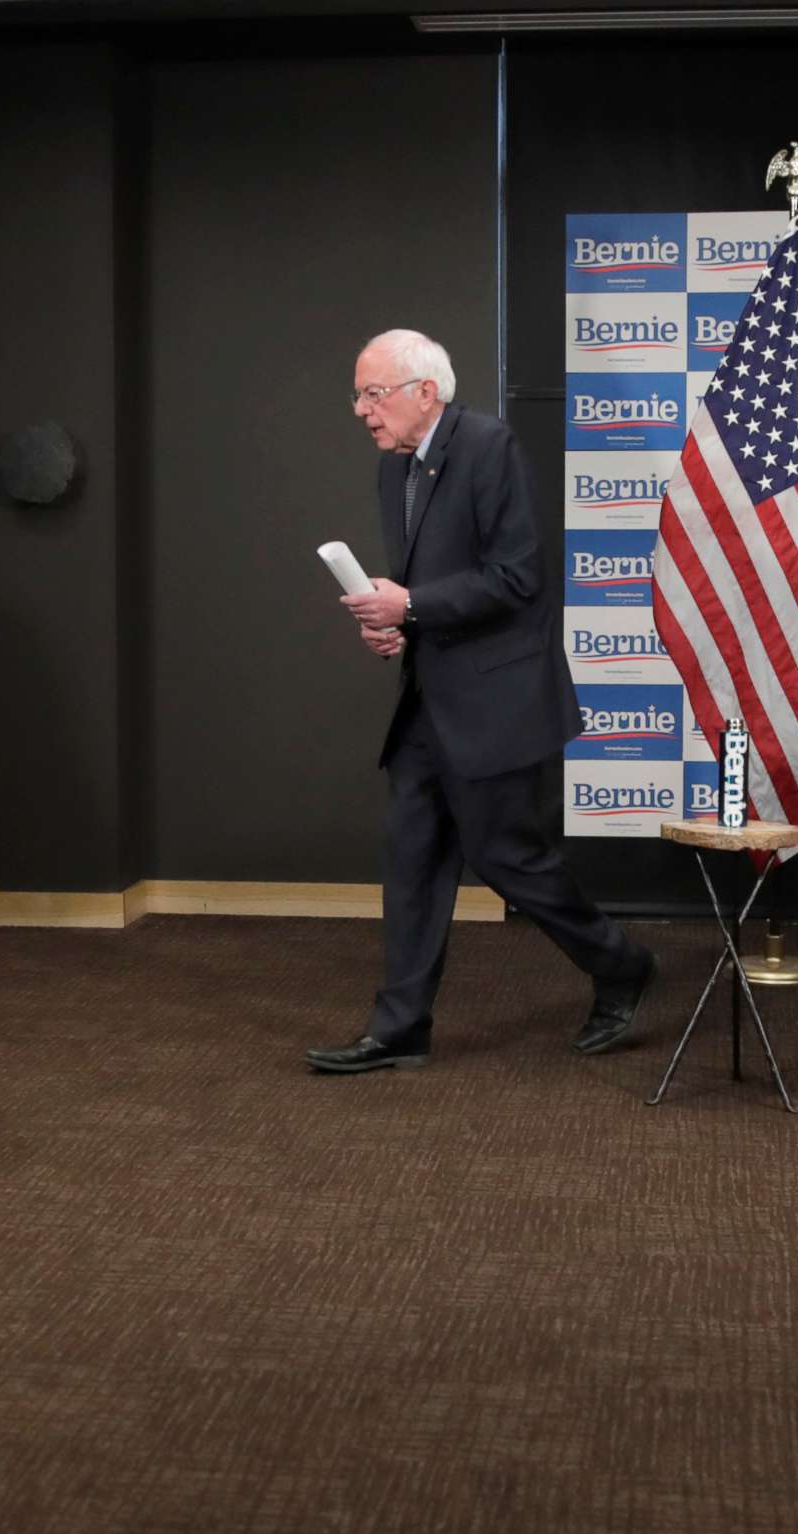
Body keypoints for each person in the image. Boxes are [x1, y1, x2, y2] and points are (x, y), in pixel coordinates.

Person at [307, 330, 655, 1074]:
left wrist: (414, 604)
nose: (363, 411)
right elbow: (422, 593)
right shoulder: (391, 468)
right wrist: (394, 624)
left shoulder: (487, 447)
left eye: (375, 394)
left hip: (497, 703)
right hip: (428, 707)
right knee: (412, 863)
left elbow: (517, 578)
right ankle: (399, 1028)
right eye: (359, 395)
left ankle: (621, 964)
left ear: (425, 392)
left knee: (511, 862)